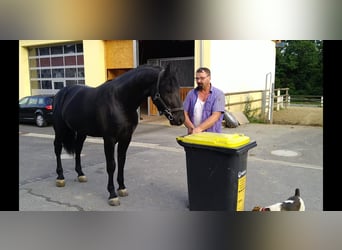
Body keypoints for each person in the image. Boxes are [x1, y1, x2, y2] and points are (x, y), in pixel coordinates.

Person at [183, 67, 225, 134]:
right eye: (197, 78)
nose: (199, 81)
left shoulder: (218, 94)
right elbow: (184, 113)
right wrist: (191, 127)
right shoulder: (191, 94)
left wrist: (199, 129)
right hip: (193, 136)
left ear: (209, 78)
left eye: (202, 78)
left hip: (212, 137)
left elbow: (216, 116)